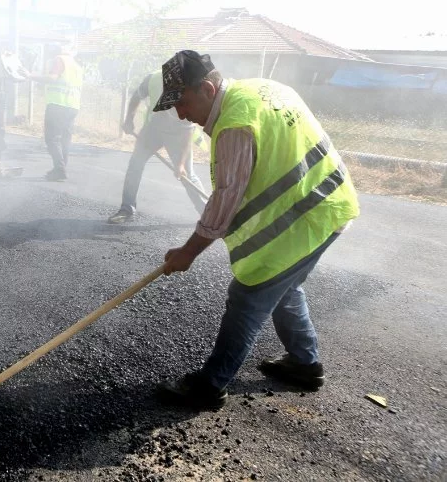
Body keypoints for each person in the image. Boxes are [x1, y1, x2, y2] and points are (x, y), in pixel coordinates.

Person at [153, 50, 360, 411]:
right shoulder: (263, 89)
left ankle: (210, 384)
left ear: (206, 88)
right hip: (330, 203)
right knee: (284, 284)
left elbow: (226, 197)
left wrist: (188, 252)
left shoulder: (235, 122)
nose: (181, 114)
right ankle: (305, 363)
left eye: (183, 102)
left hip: (310, 215)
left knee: (249, 295)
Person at [107, 69, 209, 224]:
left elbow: (188, 130)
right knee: (135, 163)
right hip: (154, 126)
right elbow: (136, 96)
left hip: (180, 131)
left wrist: (180, 164)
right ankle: (126, 209)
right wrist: (129, 119)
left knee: (187, 174)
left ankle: (209, 216)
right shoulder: (153, 79)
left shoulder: (190, 88)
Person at [24, 44, 83, 181]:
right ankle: (60, 169)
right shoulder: (76, 65)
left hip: (58, 105)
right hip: (72, 106)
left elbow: (52, 78)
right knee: (65, 140)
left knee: (52, 138)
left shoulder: (59, 59)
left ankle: (60, 169)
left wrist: (30, 75)